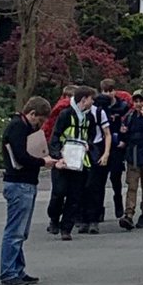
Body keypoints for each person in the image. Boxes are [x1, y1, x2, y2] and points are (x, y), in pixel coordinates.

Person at [0, 96, 56, 285]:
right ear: (31, 114)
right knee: (15, 231)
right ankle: (8, 273)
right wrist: (43, 161)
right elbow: (22, 157)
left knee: (20, 231)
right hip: (19, 183)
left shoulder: (22, 127)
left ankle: (17, 269)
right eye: (38, 121)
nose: (39, 126)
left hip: (25, 183)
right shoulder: (18, 128)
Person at [47, 85, 96, 241]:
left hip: (80, 162)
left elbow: (91, 136)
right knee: (59, 192)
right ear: (84, 99)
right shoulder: (65, 114)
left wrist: (89, 145)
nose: (93, 102)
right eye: (91, 99)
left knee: (75, 196)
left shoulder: (90, 118)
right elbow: (55, 137)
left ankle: (66, 228)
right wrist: (57, 156)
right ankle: (54, 218)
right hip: (63, 160)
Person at [119, 91, 143, 229]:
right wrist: (123, 133)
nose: (139, 104)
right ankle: (128, 214)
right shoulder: (129, 116)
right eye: (136, 101)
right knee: (132, 186)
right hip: (133, 155)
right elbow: (125, 136)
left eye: (141, 101)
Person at [94, 79, 129, 220]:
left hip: (117, 147)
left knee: (116, 179)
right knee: (100, 181)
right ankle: (99, 209)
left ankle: (118, 203)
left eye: (111, 90)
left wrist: (123, 139)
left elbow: (127, 125)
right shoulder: (99, 107)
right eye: (105, 91)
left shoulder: (123, 106)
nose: (108, 94)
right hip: (102, 146)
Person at [78, 94, 112, 234]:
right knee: (81, 186)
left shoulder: (99, 112)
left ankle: (93, 220)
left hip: (95, 151)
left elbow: (107, 134)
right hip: (80, 151)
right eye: (90, 98)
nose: (93, 101)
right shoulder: (76, 113)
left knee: (95, 186)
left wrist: (106, 153)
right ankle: (82, 219)